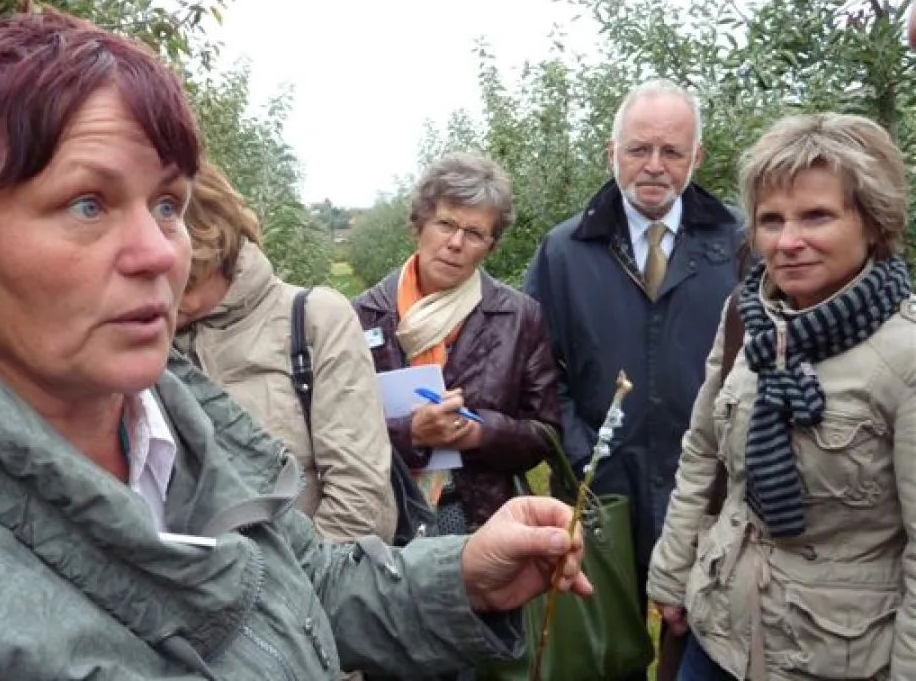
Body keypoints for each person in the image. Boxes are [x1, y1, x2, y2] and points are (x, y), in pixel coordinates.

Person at [0, 3, 594, 681]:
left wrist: (462, 577)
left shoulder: (177, 417)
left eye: (167, 203)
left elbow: (305, 588)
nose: (161, 251)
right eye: (86, 203)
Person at [649, 113, 916, 681]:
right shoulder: (744, 320)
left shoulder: (905, 355)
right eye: (770, 220)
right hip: (716, 635)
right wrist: (671, 573)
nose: (788, 241)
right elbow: (700, 452)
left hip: (834, 656)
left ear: (872, 222)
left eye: (817, 215)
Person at [523, 79, 745, 676]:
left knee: (702, 639)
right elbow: (540, 369)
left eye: (672, 152)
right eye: (638, 149)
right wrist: (580, 454)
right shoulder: (564, 251)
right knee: (605, 642)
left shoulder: (740, 244)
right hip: (602, 488)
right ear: (611, 151)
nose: (654, 167)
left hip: (710, 488)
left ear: (696, 158)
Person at [173, 161, 396, 544]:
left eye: (180, 278)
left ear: (214, 248)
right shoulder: (144, 340)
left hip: (305, 589)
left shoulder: (313, 321)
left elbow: (359, 498)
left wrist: (296, 592)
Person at [352, 152, 561, 535]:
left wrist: (482, 433)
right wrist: (410, 432)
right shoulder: (359, 317)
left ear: (491, 246)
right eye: (445, 224)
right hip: (383, 518)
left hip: (479, 520)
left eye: (475, 233)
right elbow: (337, 432)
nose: (456, 243)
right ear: (418, 225)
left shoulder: (518, 317)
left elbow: (545, 433)